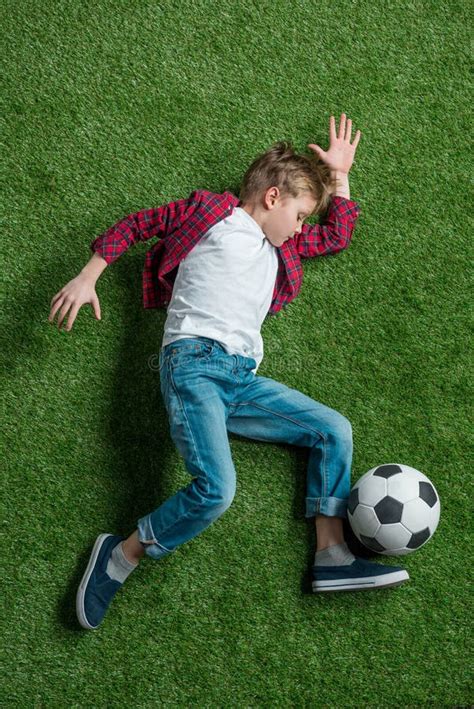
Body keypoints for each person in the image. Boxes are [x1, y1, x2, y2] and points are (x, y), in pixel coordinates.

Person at [48, 113, 409, 630]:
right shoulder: (212, 213)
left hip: (240, 379)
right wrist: (89, 276)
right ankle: (119, 555)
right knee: (216, 491)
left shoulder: (281, 249)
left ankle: (331, 557)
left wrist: (339, 177)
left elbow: (337, 235)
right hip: (192, 365)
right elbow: (137, 224)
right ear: (272, 198)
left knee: (333, 429)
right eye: (301, 215)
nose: (303, 228)